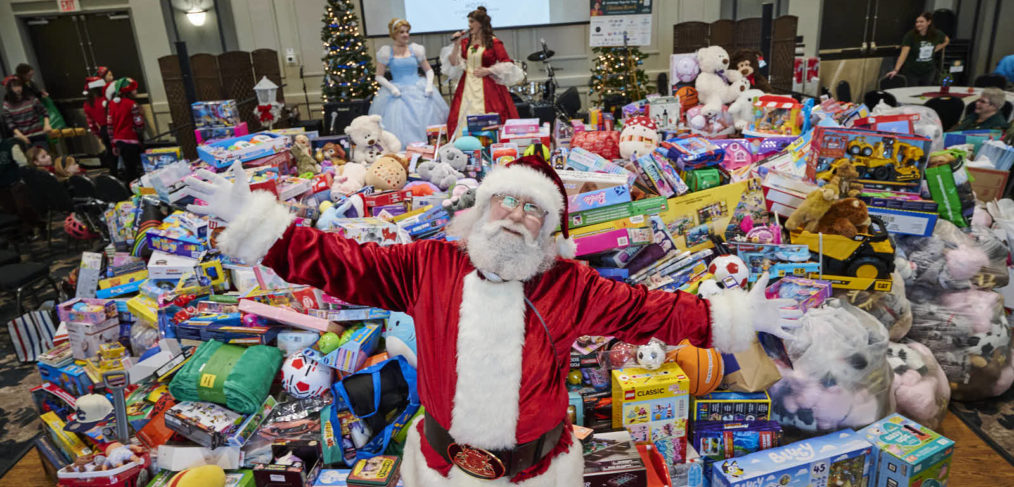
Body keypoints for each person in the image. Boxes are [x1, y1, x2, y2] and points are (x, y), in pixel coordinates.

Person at [184, 156, 797, 487]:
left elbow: (650, 311)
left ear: (550, 231)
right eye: (507, 198)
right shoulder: (428, 263)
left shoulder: (570, 284)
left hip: (541, 470)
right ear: (482, 205)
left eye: (534, 208)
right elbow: (344, 264)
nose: (515, 214)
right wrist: (264, 228)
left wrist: (734, 316)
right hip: (445, 466)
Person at [369, 18, 449, 145]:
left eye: (407, 32)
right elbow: (378, 76)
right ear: (394, 34)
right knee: (400, 124)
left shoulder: (415, 50)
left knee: (425, 120)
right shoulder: (386, 52)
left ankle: (427, 149)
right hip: (397, 92)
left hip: (419, 89)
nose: (405, 35)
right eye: (401, 32)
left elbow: (429, 70)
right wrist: (392, 88)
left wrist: (429, 85)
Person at [445, 6, 522, 138]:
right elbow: (454, 62)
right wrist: (456, 44)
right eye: (469, 22)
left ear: (480, 24)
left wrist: (489, 70)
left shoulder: (494, 42)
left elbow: (507, 63)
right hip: (467, 85)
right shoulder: (465, 42)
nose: (469, 25)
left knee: (492, 115)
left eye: (471, 22)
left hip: (488, 85)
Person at [886, 12, 949, 86]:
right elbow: (903, 54)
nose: (918, 24)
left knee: (925, 93)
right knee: (913, 92)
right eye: (917, 22)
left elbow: (946, 40)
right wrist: (895, 70)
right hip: (912, 71)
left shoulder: (937, 34)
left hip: (929, 71)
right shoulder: (910, 35)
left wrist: (936, 49)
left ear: (928, 22)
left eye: (921, 22)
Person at [106, 77, 144, 181]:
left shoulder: (111, 104)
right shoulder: (132, 104)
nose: (136, 91)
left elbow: (110, 126)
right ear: (128, 91)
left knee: (128, 168)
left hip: (118, 141)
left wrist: (113, 144)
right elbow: (138, 123)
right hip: (131, 140)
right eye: (134, 89)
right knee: (135, 170)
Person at [2, 76, 50, 147]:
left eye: (19, 85)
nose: (18, 88)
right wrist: (21, 136)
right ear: (9, 89)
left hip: (38, 135)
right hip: (21, 138)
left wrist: (47, 124)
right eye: (14, 86)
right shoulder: (7, 105)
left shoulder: (31, 99)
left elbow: (44, 112)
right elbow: (11, 125)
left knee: (43, 156)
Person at [82, 76, 114, 173]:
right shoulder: (107, 99)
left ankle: (115, 173)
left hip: (103, 131)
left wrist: (98, 135)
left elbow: (91, 124)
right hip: (115, 128)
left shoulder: (87, 104)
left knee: (111, 154)